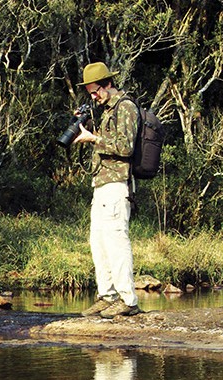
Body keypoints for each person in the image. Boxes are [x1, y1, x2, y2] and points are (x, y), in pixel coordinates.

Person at [73, 62, 140, 318]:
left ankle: (128, 300)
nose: (93, 96)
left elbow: (125, 147)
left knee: (116, 241)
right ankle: (107, 296)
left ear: (108, 84)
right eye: (90, 92)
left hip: (117, 184)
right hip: (101, 184)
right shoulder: (104, 110)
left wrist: (94, 139)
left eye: (95, 91)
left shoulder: (125, 107)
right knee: (98, 242)